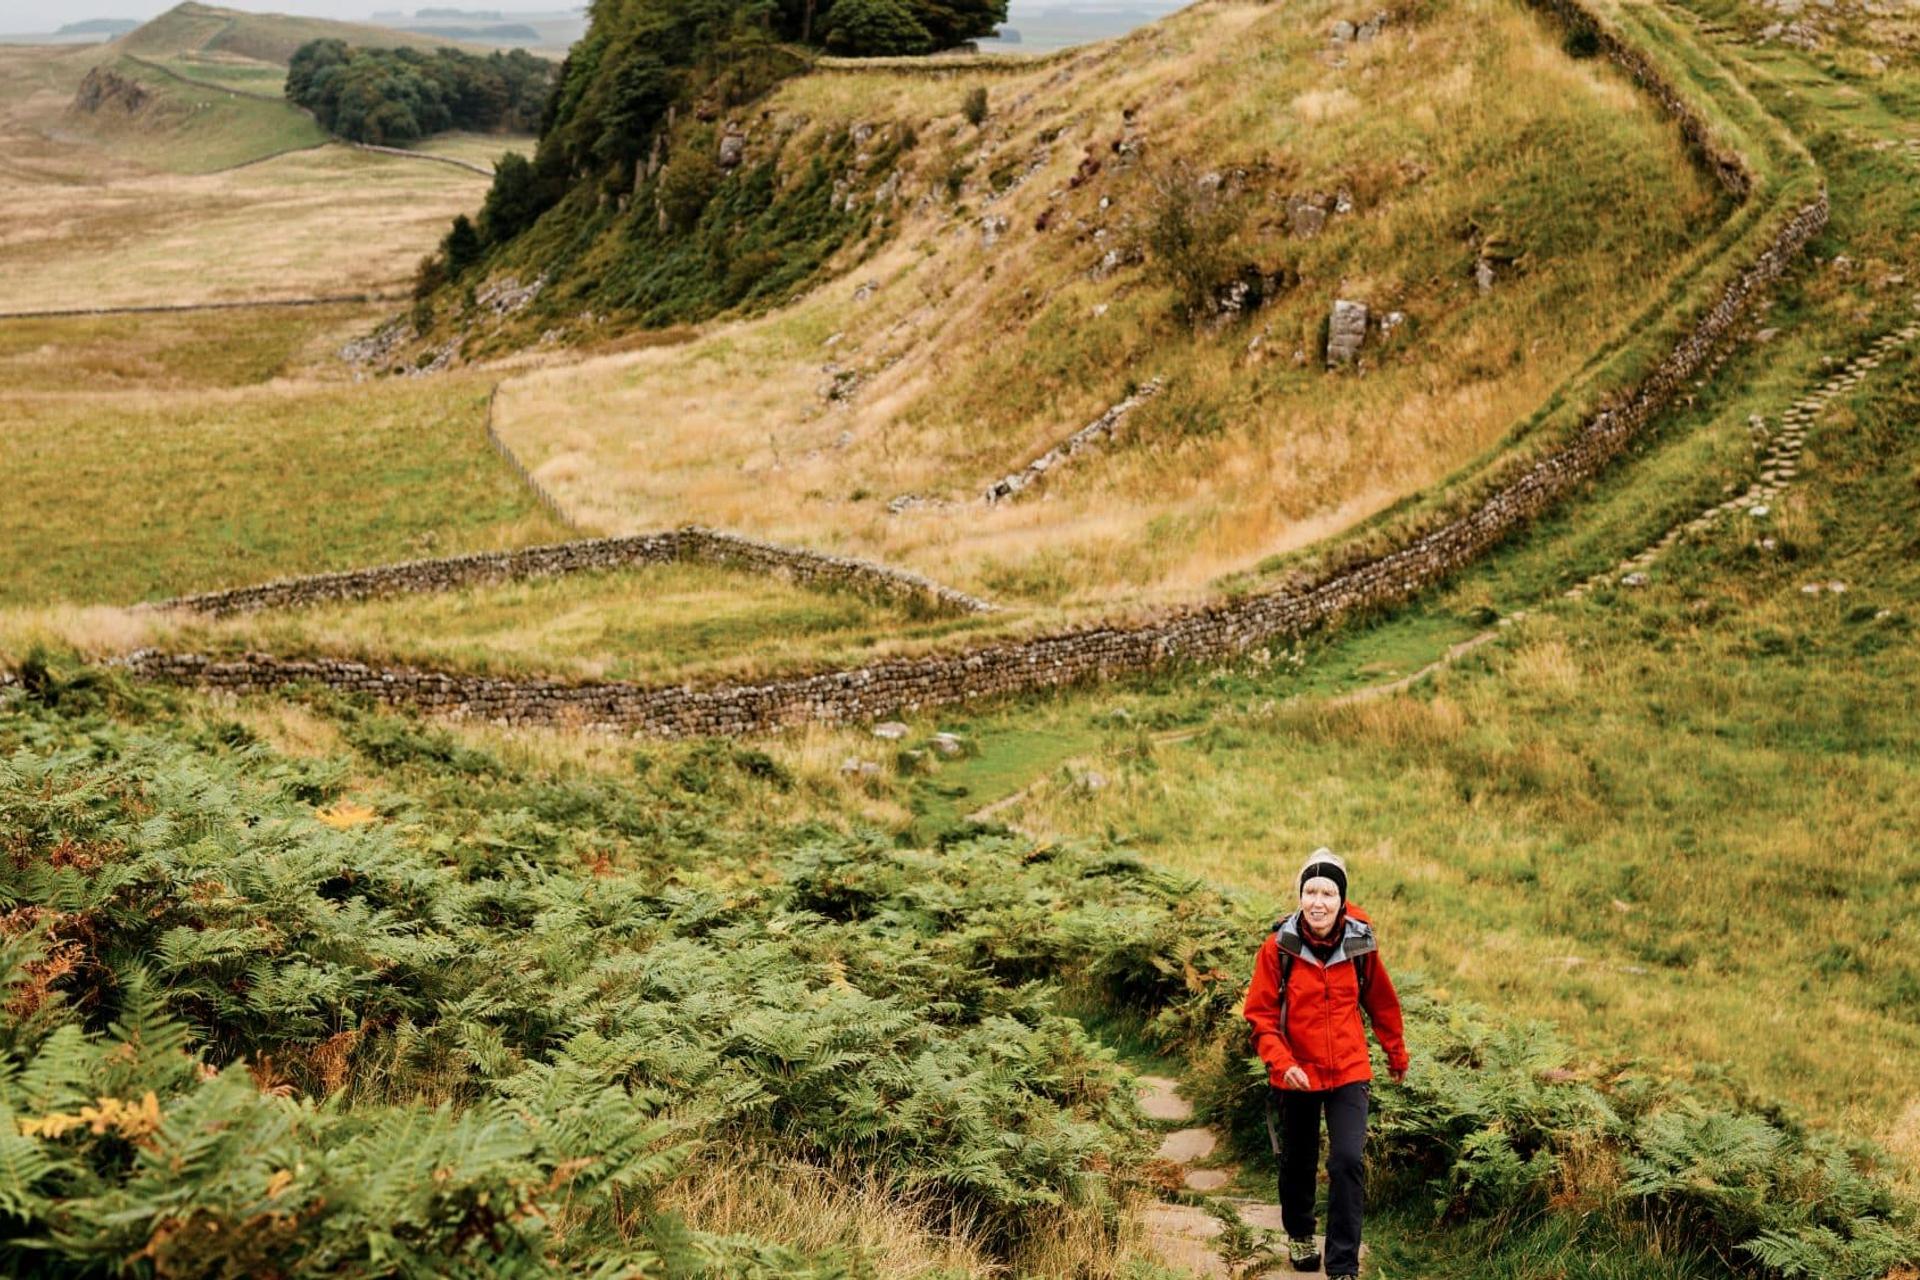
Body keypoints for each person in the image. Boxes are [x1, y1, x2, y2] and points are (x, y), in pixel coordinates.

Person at [1241, 849, 1409, 1279]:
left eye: (1327, 892)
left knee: (1347, 1161)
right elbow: (1260, 1017)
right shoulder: (1278, 948)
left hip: (1349, 1070)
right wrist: (1281, 1063)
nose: (1318, 901)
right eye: (1310, 891)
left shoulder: (1359, 943)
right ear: (1299, 897)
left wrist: (1395, 1050)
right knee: (1297, 1159)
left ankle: (1342, 1265)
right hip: (1296, 1072)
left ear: (1342, 900)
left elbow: (1381, 1000)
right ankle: (1300, 1234)